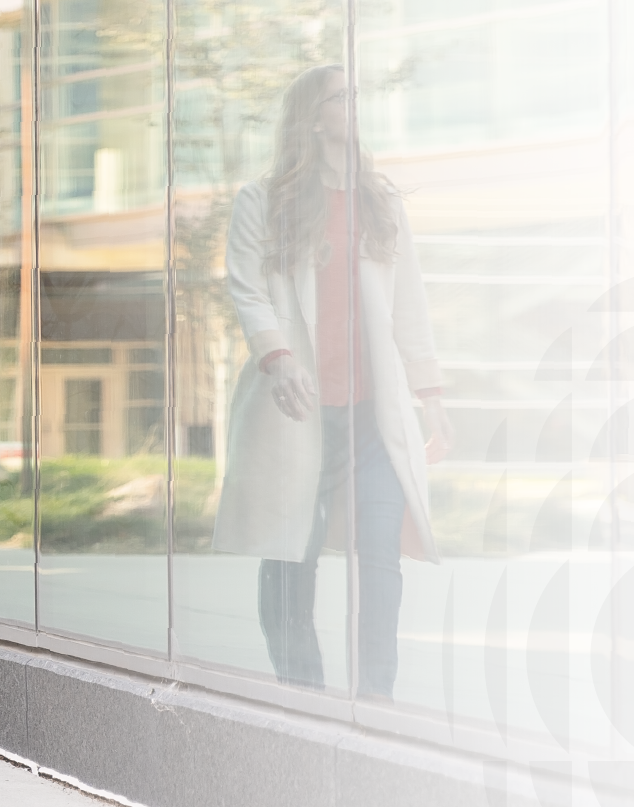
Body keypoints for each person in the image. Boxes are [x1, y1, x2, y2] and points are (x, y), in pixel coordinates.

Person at [212, 64, 453, 700]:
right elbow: (247, 288)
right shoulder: (264, 201)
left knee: (379, 564)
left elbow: (411, 306)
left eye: (356, 94)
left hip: (373, 421)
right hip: (299, 415)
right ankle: (305, 701)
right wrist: (280, 356)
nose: (354, 105)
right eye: (341, 96)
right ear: (314, 116)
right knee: (291, 563)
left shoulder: (381, 201)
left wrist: (430, 398)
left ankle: (376, 705)